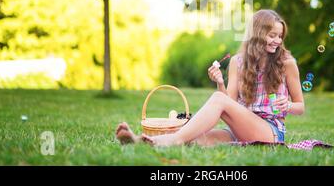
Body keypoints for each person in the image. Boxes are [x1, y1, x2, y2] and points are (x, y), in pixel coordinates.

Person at [115, 9, 304, 146]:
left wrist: (288, 106)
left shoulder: (286, 63)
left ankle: (168, 140)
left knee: (208, 109)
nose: (278, 41)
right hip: (237, 130)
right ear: (258, 34)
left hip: (269, 131)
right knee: (193, 139)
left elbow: (300, 107)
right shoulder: (238, 62)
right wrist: (220, 83)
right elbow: (230, 104)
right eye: (272, 35)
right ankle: (141, 141)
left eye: (280, 36)